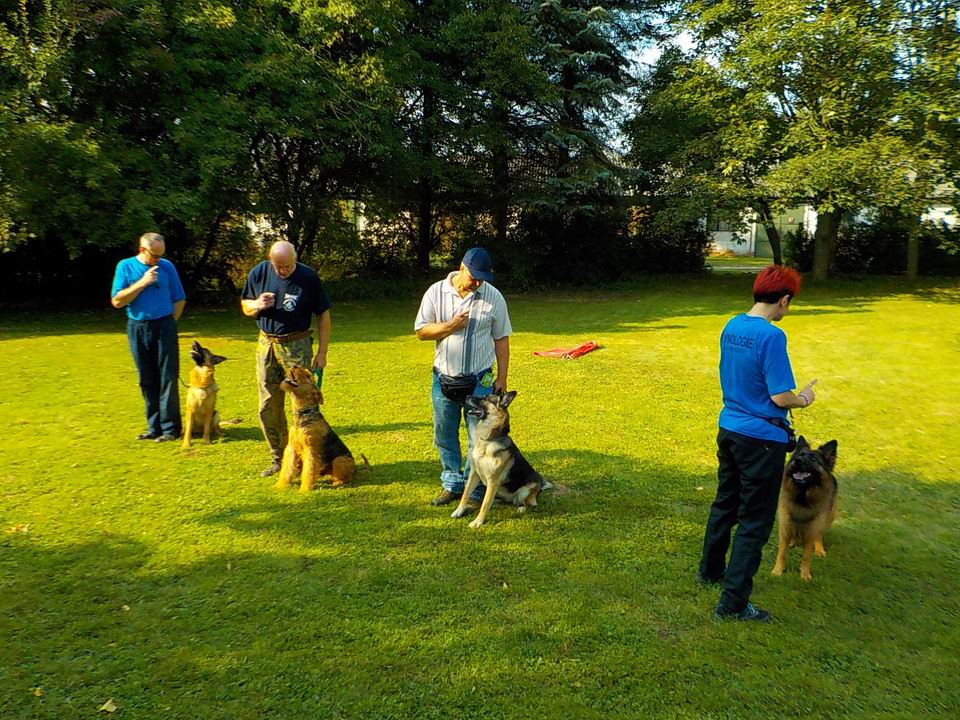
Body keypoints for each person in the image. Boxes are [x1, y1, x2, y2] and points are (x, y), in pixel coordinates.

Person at [698, 265, 819, 622]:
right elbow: (781, 396)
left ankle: (710, 570)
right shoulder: (771, 337)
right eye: (788, 304)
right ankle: (733, 604)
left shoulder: (732, 325)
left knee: (726, 503)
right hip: (761, 440)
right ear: (783, 300)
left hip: (730, 429)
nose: (787, 310)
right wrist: (805, 398)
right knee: (754, 520)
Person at [415, 247, 512, 507]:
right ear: (462, 268)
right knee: (444, 433)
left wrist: (502, 377)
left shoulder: (493, 298)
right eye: (474, 276)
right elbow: (422, 331)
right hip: (444, 378)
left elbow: (501, 339)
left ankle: (475, 490)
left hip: (479, 381)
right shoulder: (436, 292)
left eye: (483, 278)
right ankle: (451, 483)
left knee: (478, 437)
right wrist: (450, 326)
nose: (478, 282)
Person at [241, 241, 331, 477]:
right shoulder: (259, 272)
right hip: (266, 344)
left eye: (287, 266)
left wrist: (322, 353)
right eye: (278, 267)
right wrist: (256, 305)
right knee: (268, 403)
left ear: (294, 259)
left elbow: (323, 315)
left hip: (296, 344)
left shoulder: (308, 277)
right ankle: (278, 459)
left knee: (302, 406)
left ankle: (307, 458)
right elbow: (245, 305)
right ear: (271, 261)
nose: (282, 271)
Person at [110, 232, 186, 442]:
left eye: (160, 255)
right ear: (142, 250)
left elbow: (179, 299)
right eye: (154, 255)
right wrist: (142, 283)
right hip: (138, 326)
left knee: (167, 377)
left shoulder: (167, 267)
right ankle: (154, 427)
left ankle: (171, 429)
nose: (157, 260)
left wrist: (170, 322)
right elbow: (117, 301)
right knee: (146, 378)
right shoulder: (125, 267)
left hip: (164, 325)